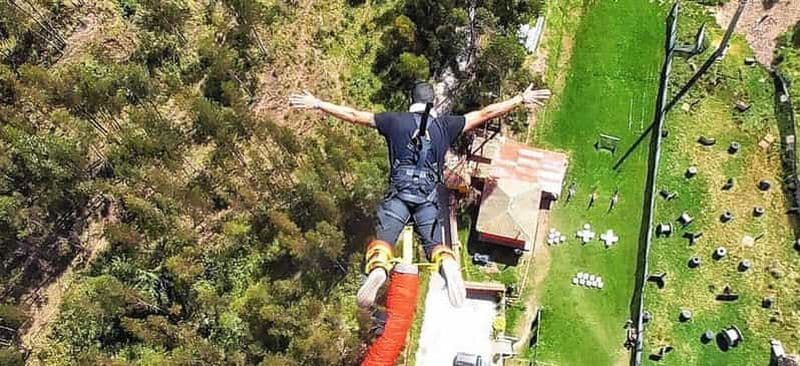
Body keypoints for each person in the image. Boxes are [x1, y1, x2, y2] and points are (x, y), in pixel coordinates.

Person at [289, 82, 550, 308]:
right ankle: (446, 263)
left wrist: (318, 103)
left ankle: (380, 268)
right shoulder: (446, 125)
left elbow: (355, 115)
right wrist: (520, 99)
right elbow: (485, 113)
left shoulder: (393, 121)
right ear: (433, 102)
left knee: (384, 238)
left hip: (399, 194)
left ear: (410, 101)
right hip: (428, 196)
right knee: (434, 244)